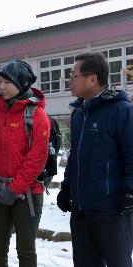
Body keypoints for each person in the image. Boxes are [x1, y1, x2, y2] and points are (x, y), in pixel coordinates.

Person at [57, 52, 133, 267]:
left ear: (92, 79)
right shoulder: (79, 113)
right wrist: (67, 187)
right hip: (81, 210)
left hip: (112, 209)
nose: (69, 80)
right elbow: (75, 157)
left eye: (73, 75)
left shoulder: (122, 110)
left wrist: (130, 191)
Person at [0, 59, 50, 267]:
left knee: (26, 251)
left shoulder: (37, 115)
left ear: (22, 83)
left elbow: (37, 158)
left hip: (27, 193)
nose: (1, 87)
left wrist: (15, 189)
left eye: (7, 82)